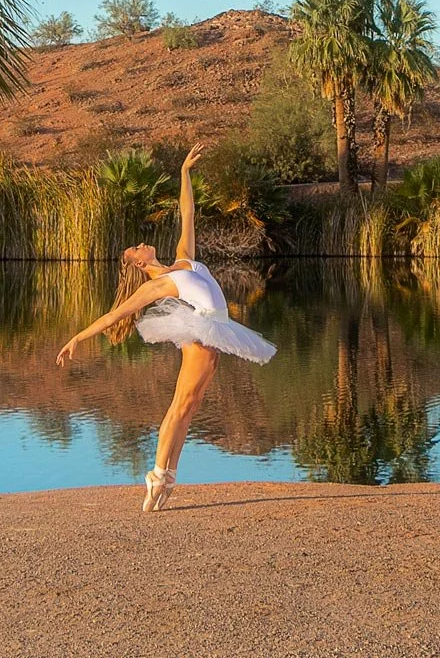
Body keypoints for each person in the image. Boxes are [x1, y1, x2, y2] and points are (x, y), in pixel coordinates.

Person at [56, 143, 277, 512]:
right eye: (135, 249)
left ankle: (168, 477)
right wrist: (77, 338)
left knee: (189, 408)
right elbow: (113, 316)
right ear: (139, 265)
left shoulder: (182, 259)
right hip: (201, 336)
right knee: (179, 408)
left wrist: (184, 173)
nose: (141, 244)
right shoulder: (155, 285)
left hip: (214, 331)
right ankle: (157, 475)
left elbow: (187, 212)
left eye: (138, 244)